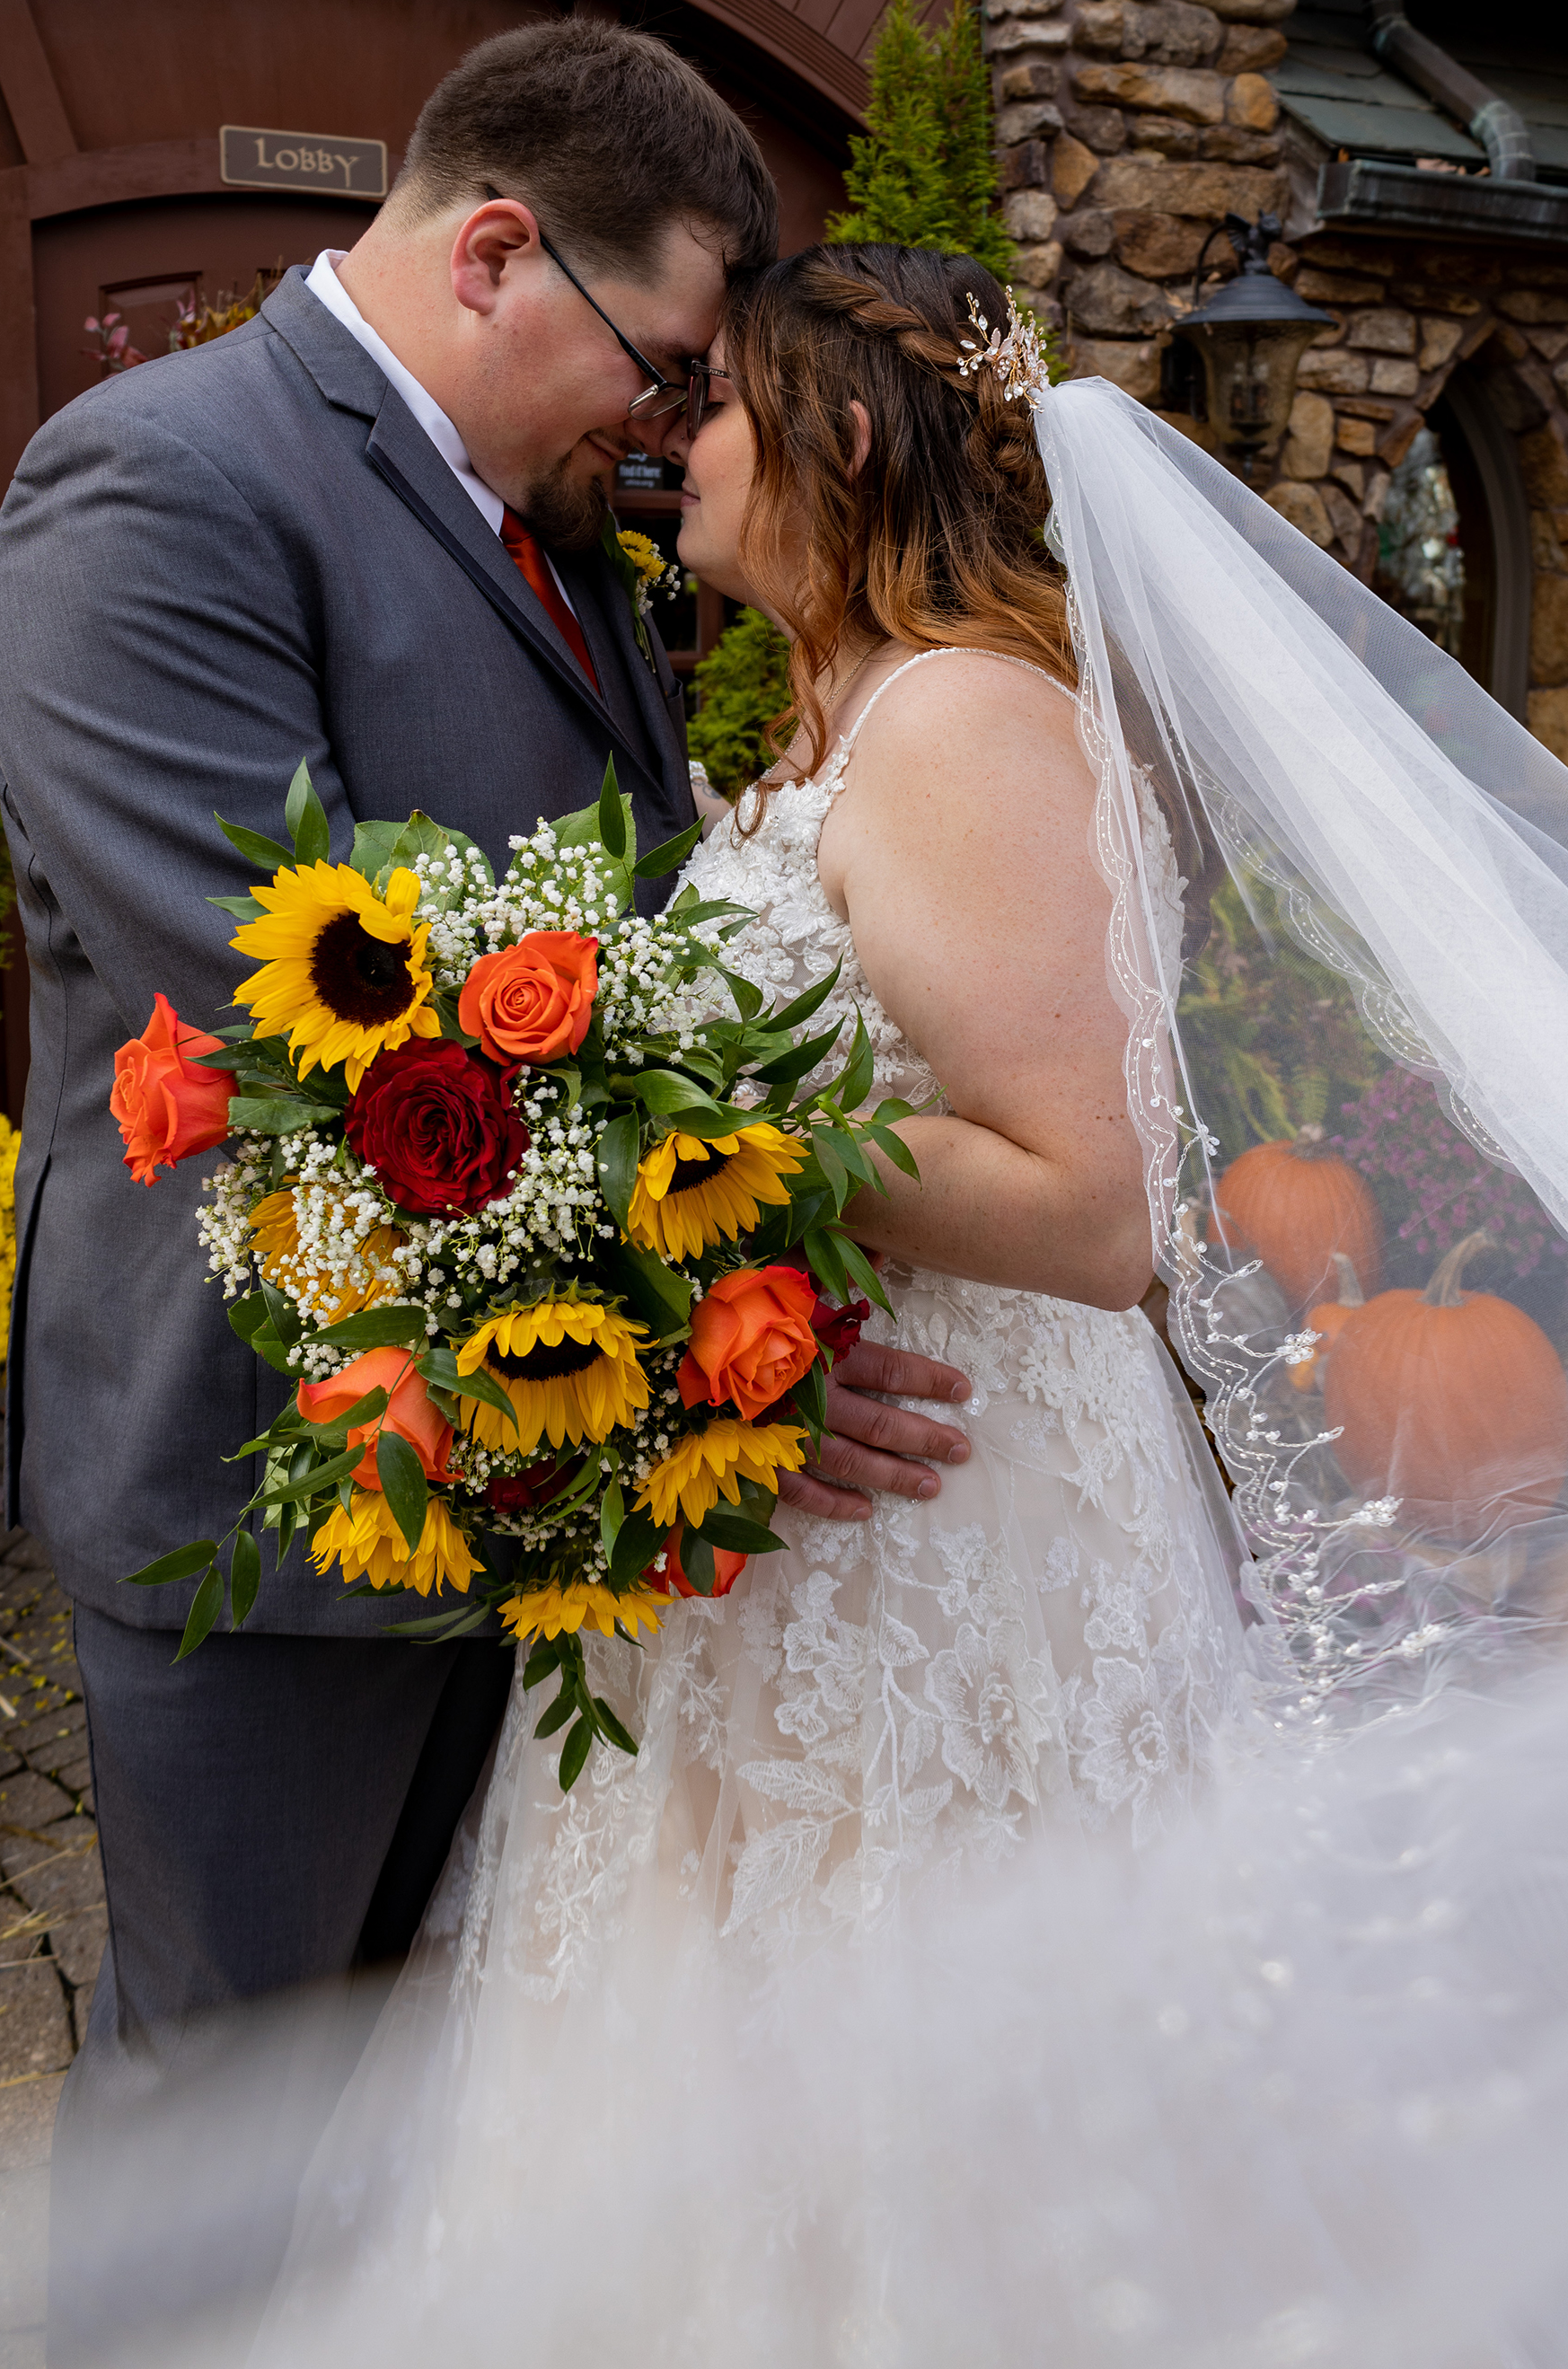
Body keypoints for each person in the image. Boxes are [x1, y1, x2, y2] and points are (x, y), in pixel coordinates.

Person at [243, 245, 1568, 2367]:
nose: (684, 441)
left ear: (844, 438)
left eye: (727, 406)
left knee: (939, 2107)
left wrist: (643, 1125)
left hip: (964, 1523)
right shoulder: (829, 722)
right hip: (801, 1510)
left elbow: (1093, 1207)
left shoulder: (965, 719)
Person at [0, 35, 969, 2365]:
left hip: (537, 1464)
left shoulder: (565, 537)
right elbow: (325, 1017)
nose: (668, 425)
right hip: (267, 1453)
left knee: (435, 2077)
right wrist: (697, 1364)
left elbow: (619, 955)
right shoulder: (157, 489)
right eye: (661, 367)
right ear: (499, 249)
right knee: (223, 2109)